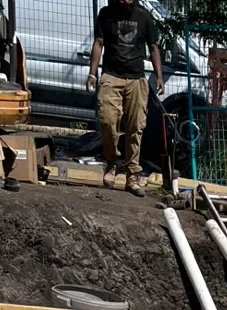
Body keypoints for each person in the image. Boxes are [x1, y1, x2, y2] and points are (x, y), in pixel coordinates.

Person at [86, 0, 163, 196]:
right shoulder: (105, 14)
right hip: (112, 76)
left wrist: (159, 77)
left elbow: (153, 47)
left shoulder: (144, 16)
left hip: (136, 78)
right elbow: (98, 43)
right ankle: (112, 163)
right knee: (107, 120)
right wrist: (92, 73)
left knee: (135, 127)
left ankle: (132, 176)